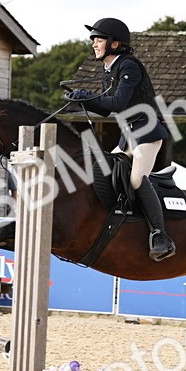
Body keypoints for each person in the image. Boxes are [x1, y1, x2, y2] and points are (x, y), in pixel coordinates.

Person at [65, 16, 175, 261]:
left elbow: (117, 103)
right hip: (129, 135)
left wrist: (87, 96)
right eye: (93, 39)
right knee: (108, 169)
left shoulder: (128, 66)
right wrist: (82, 98)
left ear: (115, 43)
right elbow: (105, 109)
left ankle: (160, 235)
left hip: (146, 132)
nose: (93, 44)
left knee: (137, 179)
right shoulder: (110, 68)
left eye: (99, 39)